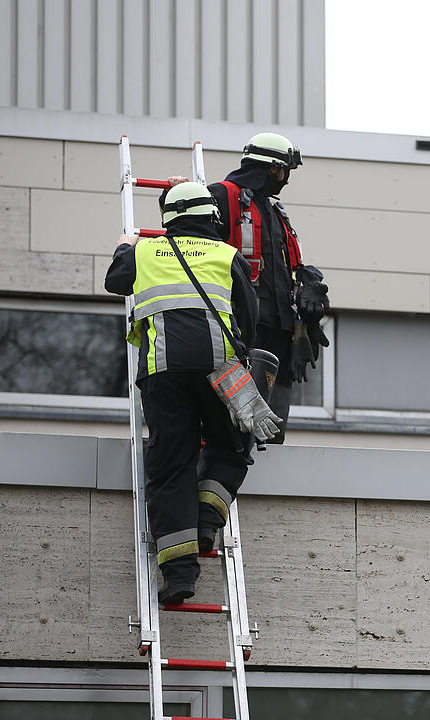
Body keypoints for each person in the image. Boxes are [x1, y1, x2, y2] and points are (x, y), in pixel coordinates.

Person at [106, 181, 279, 603]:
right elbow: (248, 320)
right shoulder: (227, 254)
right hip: (220, 367)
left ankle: (180, 577)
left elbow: (116, 283)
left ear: (169, 220)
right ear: (212, 217)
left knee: (170, 466)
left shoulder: (144, 252)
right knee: (233, 445)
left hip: (162, 371)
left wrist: (125, 246)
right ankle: (207, 518)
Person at [167, 132, 330, 443]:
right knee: (233, 428)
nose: (285, 181)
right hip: (240, 327)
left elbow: (289, 266)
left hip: (279, 330)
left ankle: (265, 484)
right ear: (272, 168)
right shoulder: (220, 196)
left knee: (272, 427)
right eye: (285, 172)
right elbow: (186, 239)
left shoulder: (274, 211)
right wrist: (178, 194)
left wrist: (309, 282)